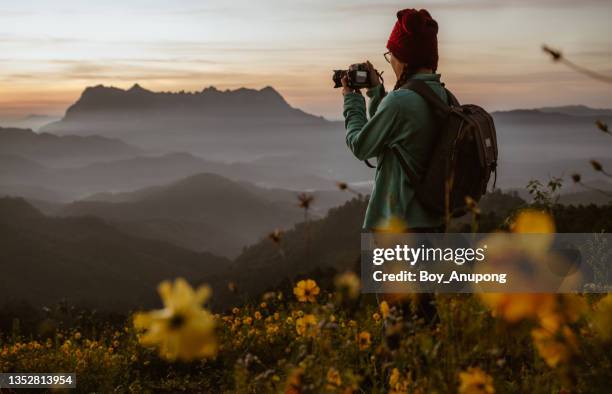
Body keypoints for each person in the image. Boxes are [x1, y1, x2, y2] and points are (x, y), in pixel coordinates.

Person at [341, 8, 446, 233]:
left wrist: (352, 100)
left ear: (405, 59)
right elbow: (397, 135)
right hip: (433, 227)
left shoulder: (401, 102)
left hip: (397, 228)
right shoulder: (443, 96)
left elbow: (361, 146)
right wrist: (376, 91)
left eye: (391, 55)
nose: (391, 62)